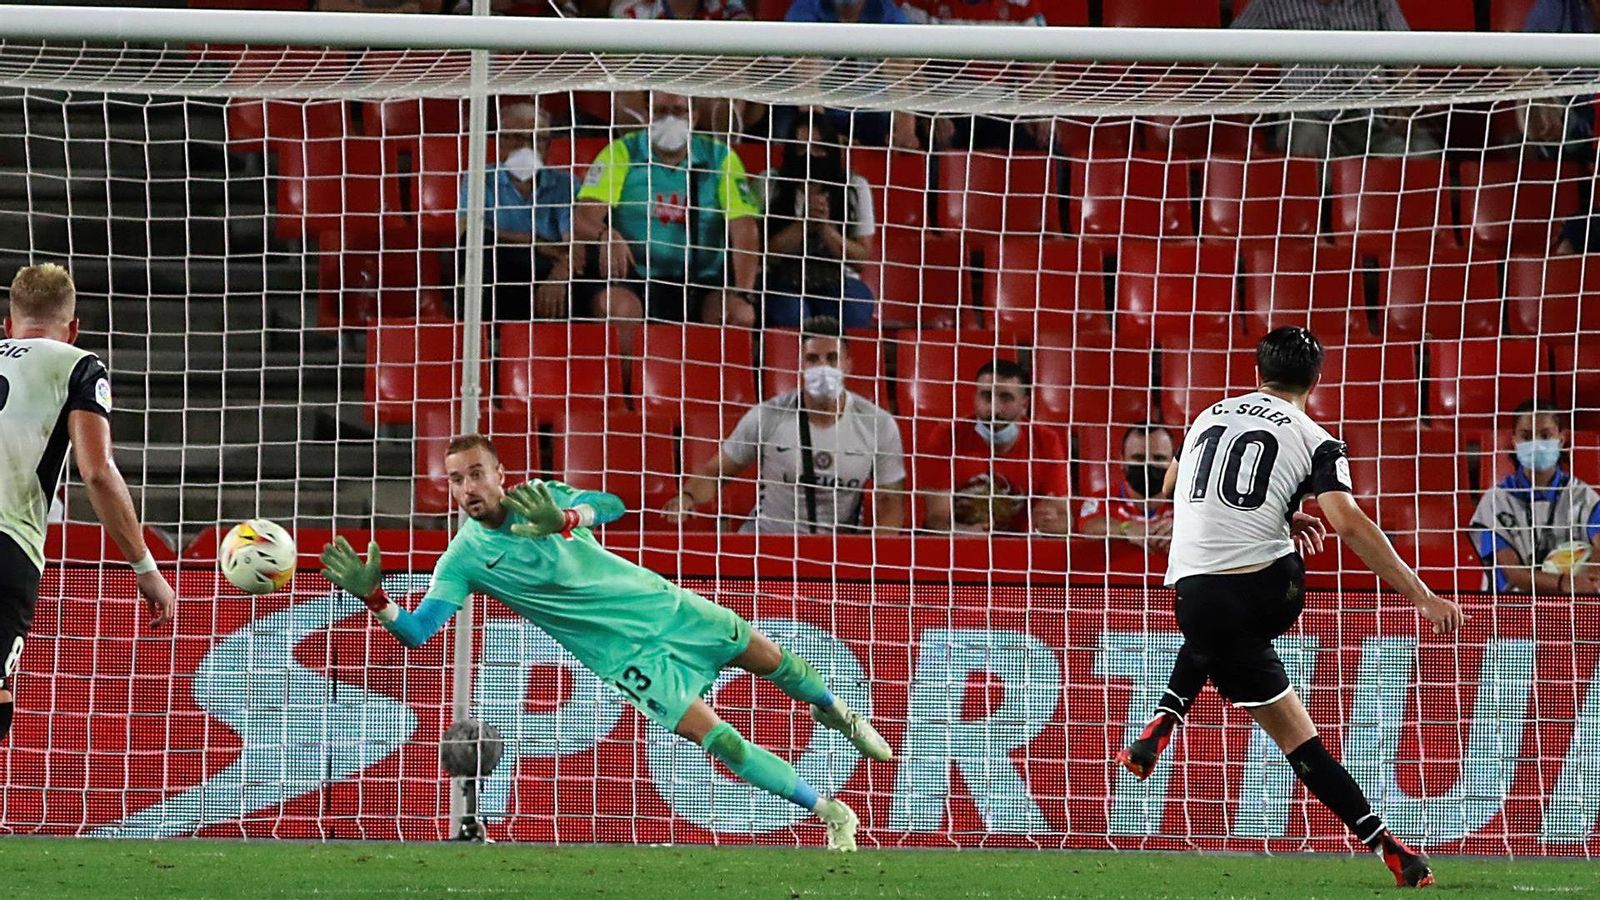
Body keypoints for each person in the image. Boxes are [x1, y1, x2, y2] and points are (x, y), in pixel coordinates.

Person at [319, 435, 890, 849]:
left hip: (662, 607)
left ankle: (843, 718)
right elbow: (419, 633)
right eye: (456, 479)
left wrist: (566, 517)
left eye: (476, 474)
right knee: (723, 744)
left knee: (774, 661)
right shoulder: (464, 559)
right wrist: (376, 599)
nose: (467, 488)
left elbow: (613, 504)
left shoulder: (538, 497)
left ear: (500, 474)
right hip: (624, 658)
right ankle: (830, 810)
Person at [1113, 326, 1464, 888]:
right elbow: (1347, 523)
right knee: (1301, 740)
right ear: (1316, 382)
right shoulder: (1316, 437)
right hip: (1268, 593)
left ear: (1257, 374)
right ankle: (1391, 849)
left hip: (1190, 596)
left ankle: (1168, 713)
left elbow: (1171, 487)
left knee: (1252, 682)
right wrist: (1419, 594)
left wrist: (1277, 514)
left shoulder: (1209, 415)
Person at [0, 264, 175, 743]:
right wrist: (146, 568)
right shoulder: (79, 365)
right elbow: (97, 471)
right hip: (7, 545)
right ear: (73, 328)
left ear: (7, 324)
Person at [664, 316, 906, 534]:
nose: (823, 368)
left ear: (847, 365)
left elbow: (890, 500)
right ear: (800, 365)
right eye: (813, 359)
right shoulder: (768, 416)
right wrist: (687, 496)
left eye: (832, 359)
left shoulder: (878, 424)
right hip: (767, 543)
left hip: (836, 552)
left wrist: (875, 560)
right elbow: (714, 473)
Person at [574, 92, 763, 340]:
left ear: (694, 118)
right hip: (635, 277)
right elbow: (582, 217)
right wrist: (605, 234)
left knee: (739, 315)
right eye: (661, 111)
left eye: (678, 111)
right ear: (646, 115)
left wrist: (743, 293)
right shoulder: (621, 152)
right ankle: (630, 380)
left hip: (702, 280)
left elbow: (744, 229)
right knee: (617, 309)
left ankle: (713, 380)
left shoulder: (720, 157)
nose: (670, 119)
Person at [1231, 0, 1440, 158]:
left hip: (1372, 115)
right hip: (1307, 113)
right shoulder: (1272, 3)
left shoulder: (1377, 2)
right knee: (1308, 138)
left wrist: (1402, 102)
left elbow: (1406, 52)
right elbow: (1220, 55)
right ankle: (1317, 214)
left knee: (1422, 153)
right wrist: (1250, 94)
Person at [459, 102, 590, 322]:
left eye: (537, 139)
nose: (527, 147)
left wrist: (559, 274)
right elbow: (467, 231)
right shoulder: (480, 179)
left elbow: (574, 244)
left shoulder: (565, 184)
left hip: (546, 268)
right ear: (499, 142)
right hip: (501, 266)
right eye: (517, 137)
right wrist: (534, 241)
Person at [920, 360, 1069, 535]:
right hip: (956, 547)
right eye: (986, 396)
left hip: (1020, 550)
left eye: (1006, 398)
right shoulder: (947, 435)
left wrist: (1053, 523)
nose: (994, 410)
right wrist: (966, 534)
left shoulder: (1046, 441)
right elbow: (936, 518)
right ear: (975, 398)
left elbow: (1063, 517)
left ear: (1024, 404)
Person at [1469, 399, 1600, 593]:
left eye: (1545, 435)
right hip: (1510, 611)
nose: (1536, 444)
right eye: (1527, 436)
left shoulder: (1583, 497)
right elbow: (1513, 574)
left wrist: (1591, 575)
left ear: (1561, 440)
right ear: (1514, 442)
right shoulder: (1495, 502)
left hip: (1569, 611)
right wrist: (1565, 583)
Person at [763, 112, 877, 328]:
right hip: (783, 278)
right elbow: (763, 253)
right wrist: (803, 225)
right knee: (790, 313)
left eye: (817, 147)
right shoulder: (770, 183)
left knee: (854, 308)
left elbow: (860, 258)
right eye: (801, 148)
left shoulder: (854, 186)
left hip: (839, 280)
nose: (809, 155)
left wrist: (826, 229)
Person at [1076, 422, 1176, 553]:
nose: (1148, 466)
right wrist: (1127, 527)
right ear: (1122, 460)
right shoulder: (1103, 499)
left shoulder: (1189, 502)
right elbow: (1088, 525)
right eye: (1139, 458)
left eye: (1158, 458)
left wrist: (1184, 530)